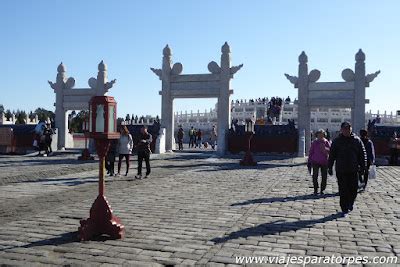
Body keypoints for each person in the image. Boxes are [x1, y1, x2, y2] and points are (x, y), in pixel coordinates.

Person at [328, 122, 367, 217]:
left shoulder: (357, 140)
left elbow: (362, 154)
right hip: (341, 169)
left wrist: (363, 167)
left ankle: (350, 202)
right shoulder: (337, 141)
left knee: (353, 189)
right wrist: (330, 167)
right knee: (343, 189)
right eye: (345, 129)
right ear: (341, 130)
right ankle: (344, 207)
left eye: (348, 129)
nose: (347, 131)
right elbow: (332, 155)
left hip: (353, 169)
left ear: (351, 129)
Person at [308, 129, 331, 195]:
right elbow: (311, 152)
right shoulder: (314, 142)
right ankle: (315, 189)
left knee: (324, 176)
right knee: (315, 176)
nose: (320, 136)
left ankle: (322, 189)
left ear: (324, 135)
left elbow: (330, 151)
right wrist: (309, 160)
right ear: (317, 135)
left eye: (322, 134)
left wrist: (325, 149)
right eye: (319, 134)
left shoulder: (326, 142)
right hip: (315, 161)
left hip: (324, 161)